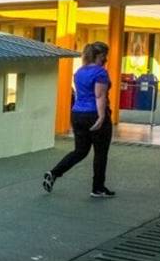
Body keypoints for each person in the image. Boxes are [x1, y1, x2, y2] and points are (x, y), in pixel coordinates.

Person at [43, 41, 115, 197]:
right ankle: (98, 188)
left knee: (80, 151)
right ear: (100, 55)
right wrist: (102, 116)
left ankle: (54, 173)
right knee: (100, 153)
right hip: (94, 115)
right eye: (105, 55)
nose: (106, 58)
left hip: (77, 114)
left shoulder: (79, 71)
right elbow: (99, 95)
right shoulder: (100, 72)